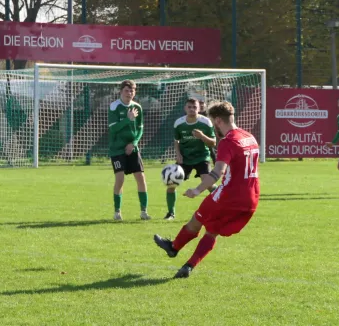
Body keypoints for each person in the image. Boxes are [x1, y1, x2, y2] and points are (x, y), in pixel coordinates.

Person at [154, 101, 260, 278]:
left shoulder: (228, 141)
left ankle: (173, 247)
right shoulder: (249, 136)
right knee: (213, 230)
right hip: (251, 198)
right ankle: (188, 266)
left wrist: (197, 190)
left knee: (197, 219)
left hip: (228, 195)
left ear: (218, 121)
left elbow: (218, 172)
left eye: (213, 121)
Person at [166, 98, 217, 220]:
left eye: (194, 107)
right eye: (189, 107)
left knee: (208, 184)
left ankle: (220, 206)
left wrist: (202, 136)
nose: (192, 109)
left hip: (202, 157)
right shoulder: (179, 123)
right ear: (185, 108)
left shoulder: (206, 122)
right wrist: (178, 154)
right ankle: (170, 213)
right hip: (185, 158)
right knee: (171, 184)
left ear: (199, 109)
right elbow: (176, 140)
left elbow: (213, 143)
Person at [108, 80, 150, 220]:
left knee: (141, 177)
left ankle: (144, 211)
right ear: (121, 91)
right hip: (117, 149)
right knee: (120, 179)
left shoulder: (137, 107)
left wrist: (134, 143)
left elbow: (140, 129)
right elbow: (113, 128)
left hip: (133, 148)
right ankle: (117, 212)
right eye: (126, 90)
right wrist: (127, 119)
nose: (129, 93)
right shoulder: (114, 106)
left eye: (132, 91)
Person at [199, 100, 217, 164]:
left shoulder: (208, 114)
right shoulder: (195, 114)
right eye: (200, 104)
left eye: (202, 104)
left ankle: (216, 164)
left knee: (211, 151)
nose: (201, 105)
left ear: (205, 105)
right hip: (197, 135)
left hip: (207, 135)